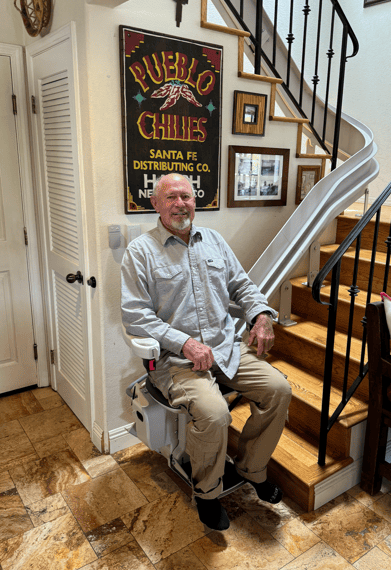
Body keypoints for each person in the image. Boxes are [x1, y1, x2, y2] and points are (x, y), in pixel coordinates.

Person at [121, 173, 292, 531]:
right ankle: (208, 493)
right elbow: (135, 315)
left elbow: (242, 285)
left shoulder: (213, 240)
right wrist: (183, 342)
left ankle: (251, 469)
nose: (180, 204)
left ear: (195, 202)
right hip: (177, 361)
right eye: (170, 197)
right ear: (155, 204)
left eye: (186, 196)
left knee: (278, 390)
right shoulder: (141, 251)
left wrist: (260, 314)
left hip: (226, 347)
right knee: (214, 414)